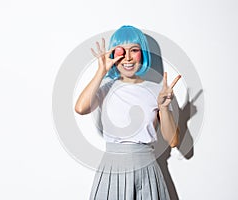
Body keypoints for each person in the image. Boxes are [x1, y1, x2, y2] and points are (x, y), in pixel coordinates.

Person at [75, 25, 181, 200]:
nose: (128, 57)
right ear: (113, 55)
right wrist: (101, 71)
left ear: (142, 53)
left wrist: (163, 107)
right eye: (121, 51)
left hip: (147, 168)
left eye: (134, 50)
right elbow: (80, 108)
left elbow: (174, 141)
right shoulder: (105, 86)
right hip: (113, 168)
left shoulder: (157, 90)